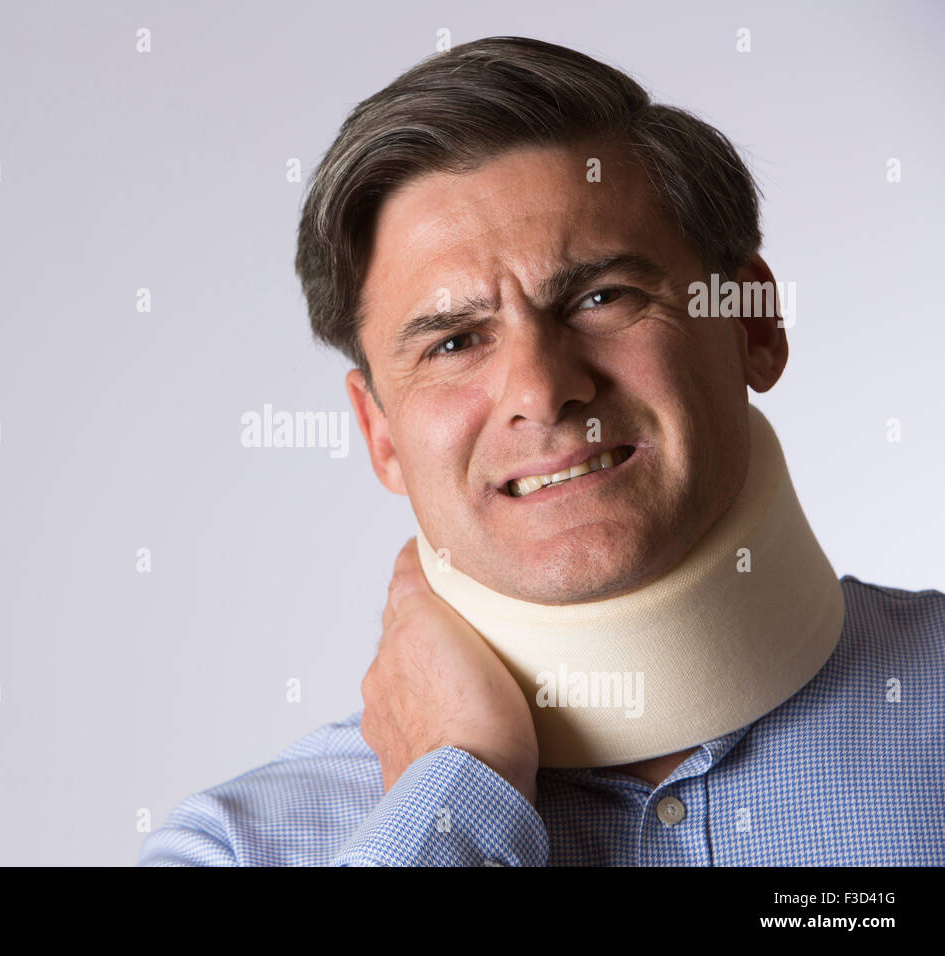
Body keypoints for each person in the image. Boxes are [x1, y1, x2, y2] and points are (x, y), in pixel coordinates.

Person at [138, 36, 944, 866]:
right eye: (453, 343)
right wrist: (457, 788)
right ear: (379, 433)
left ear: (752, 323)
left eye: (601, 297)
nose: (540, 390)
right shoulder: (230, 847)